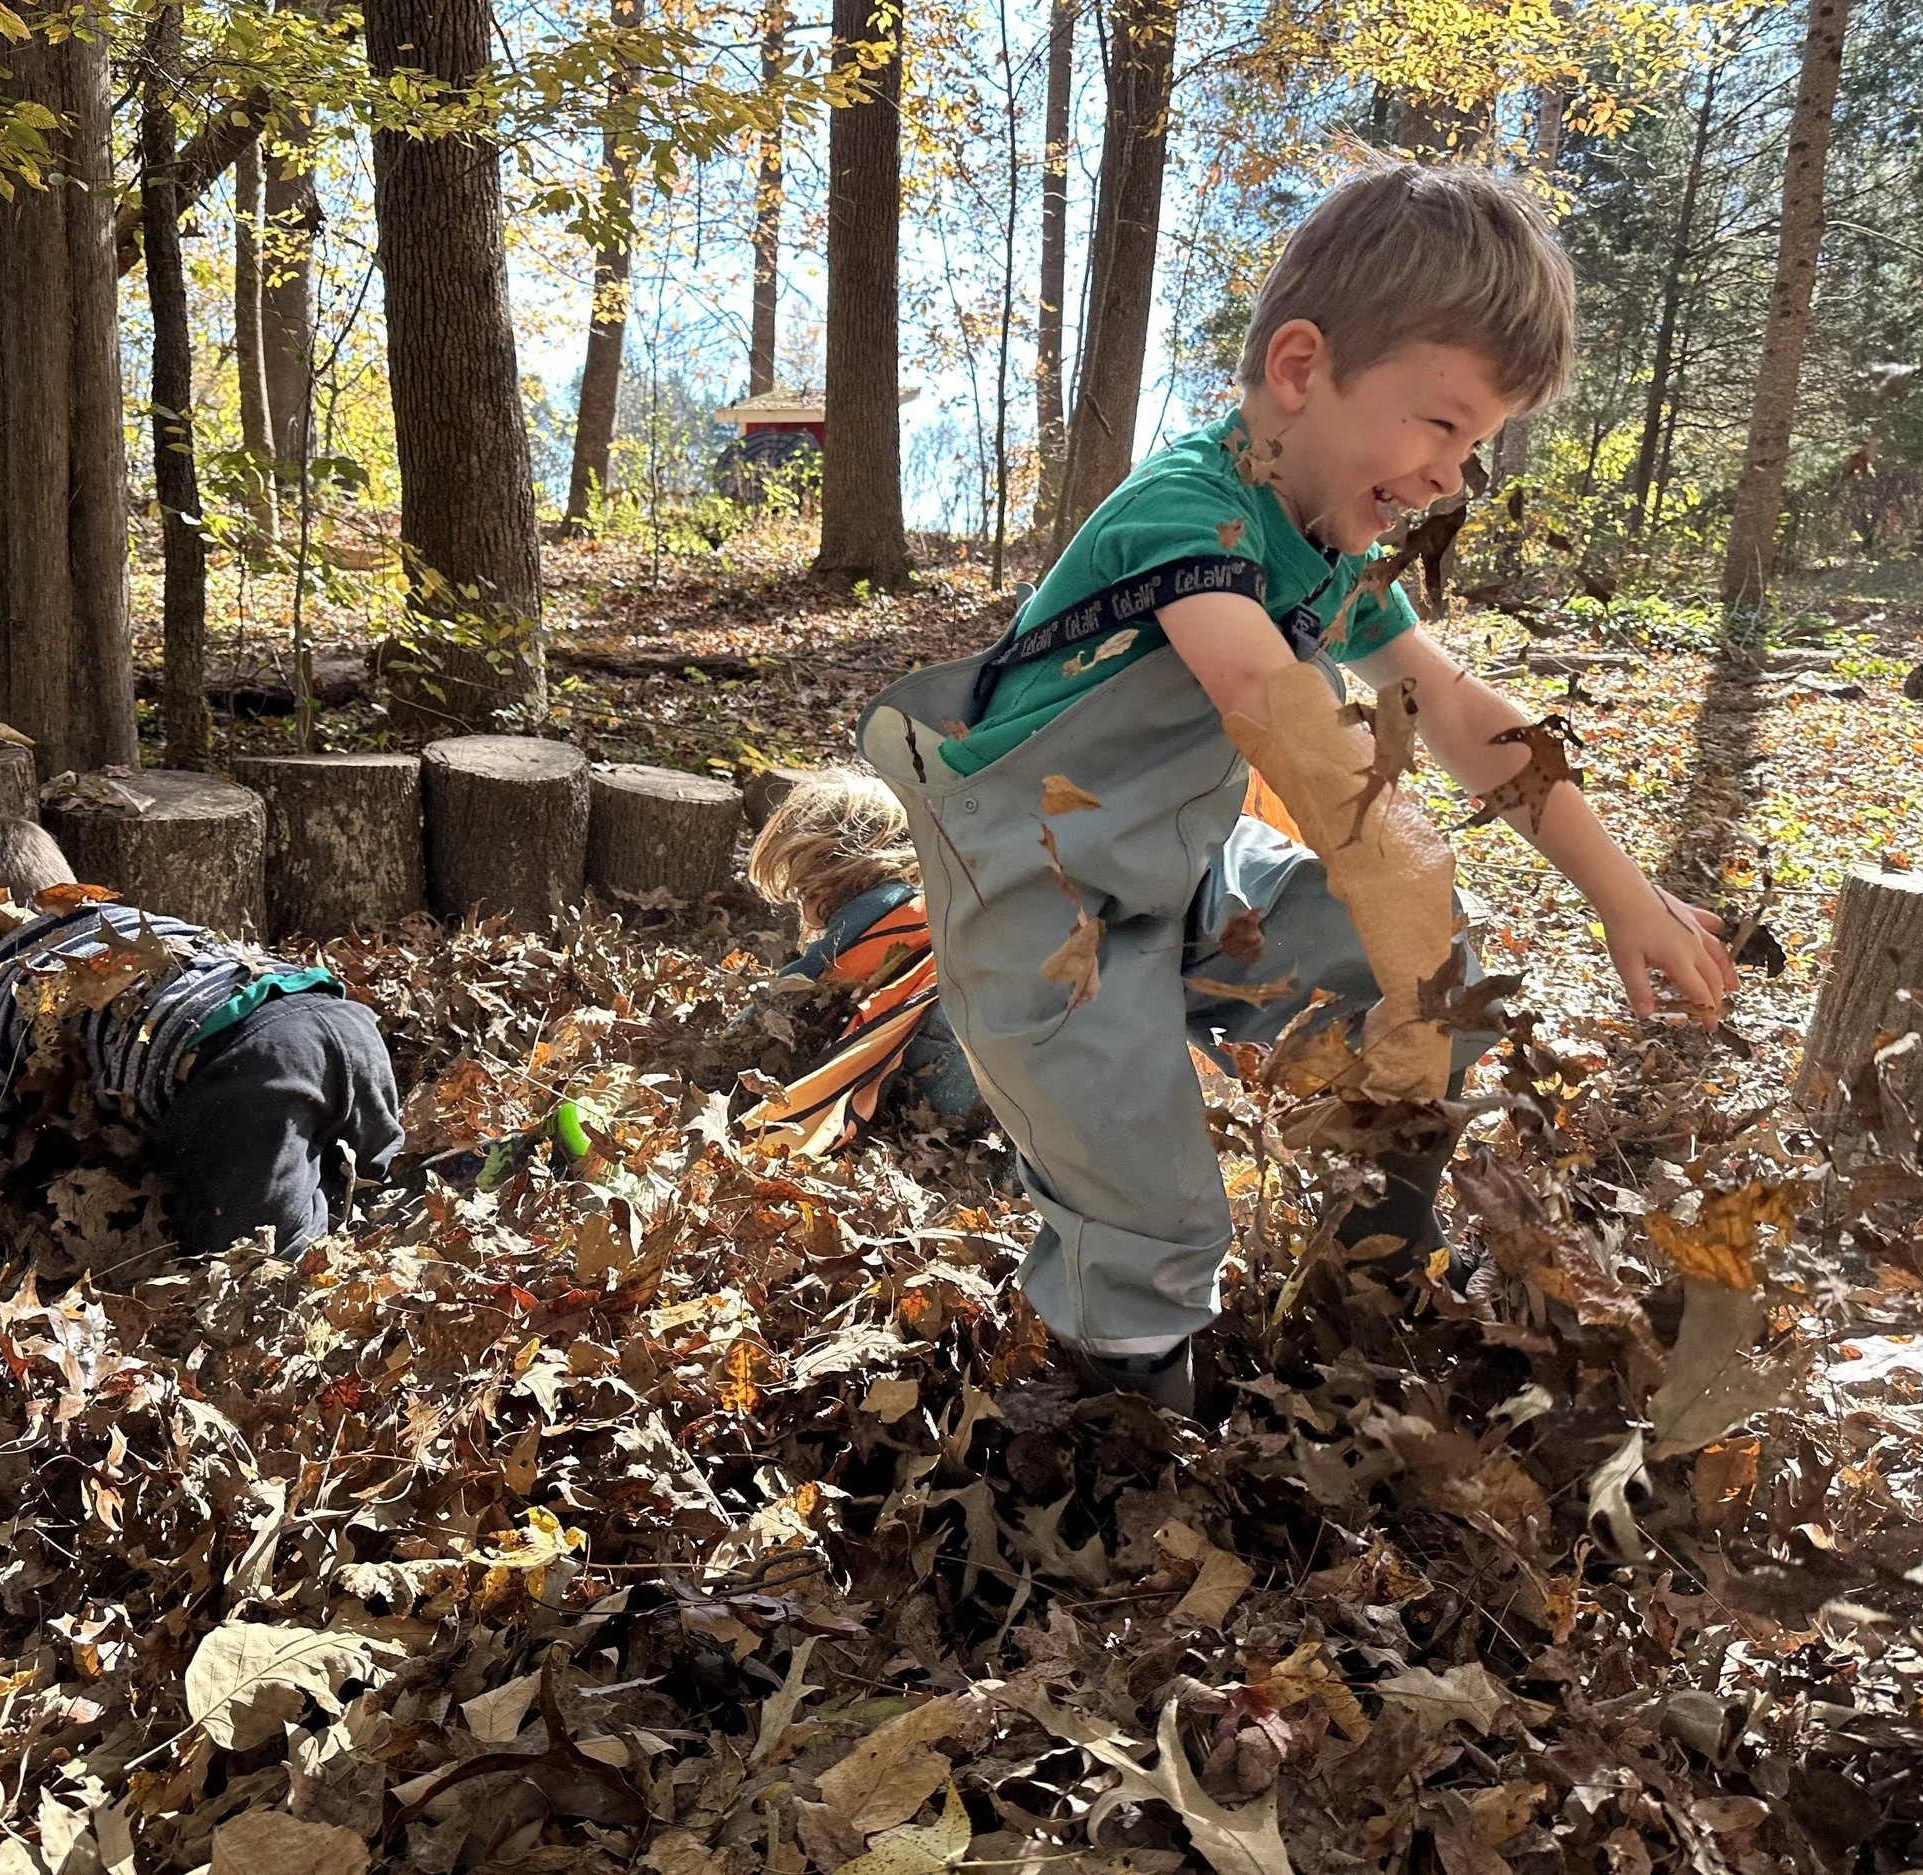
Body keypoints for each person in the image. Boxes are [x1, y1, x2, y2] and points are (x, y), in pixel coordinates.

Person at [854, 161, 1739, 1413]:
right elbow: (1307, 748)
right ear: (1299, 369)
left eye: (1476, 445)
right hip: (1038, 896)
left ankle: (1371, 1283)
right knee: (1149, 1207)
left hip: (1185, 862)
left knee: (1428, 965)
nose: (1452, 475)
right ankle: (1120, 1431)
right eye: (1440, 425)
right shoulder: (1189, 519)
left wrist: (1623, 896)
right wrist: (1410, 921)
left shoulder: (1326, 546)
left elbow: (1468, 717)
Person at [0, 813, 402, 1257]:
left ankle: (321, 1224)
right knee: (373, 1173)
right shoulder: (127, 921)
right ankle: (415, 1187)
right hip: (336, 1015)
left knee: (252, 1250)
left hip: (238, 1064)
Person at [743, 770, 982, 1153]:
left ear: (826, 873)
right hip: (1002, 1088)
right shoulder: (926, 908)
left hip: (953, 1099)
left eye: (801, 886)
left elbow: (788, 994)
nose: (800, 898)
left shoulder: (875, 916)